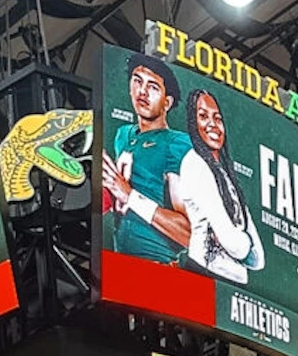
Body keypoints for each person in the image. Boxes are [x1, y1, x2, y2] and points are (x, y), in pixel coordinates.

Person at [101, 53, 192, 264]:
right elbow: (118, 194)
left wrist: (130, 196)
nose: (142, 91)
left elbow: (189, 234)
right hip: (124, 264)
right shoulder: (123, 134)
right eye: (137, 81)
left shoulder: (176, 144)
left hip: (159, 268)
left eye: (153, 87)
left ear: (167, 102)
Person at [178, 89, 264, 283]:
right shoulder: (195, 162)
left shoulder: (227, 173)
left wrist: (240, 243)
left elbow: (259, 259)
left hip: (235, 282)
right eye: (203, 116)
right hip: (204, 273)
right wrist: (242, 243)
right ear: (193, 123)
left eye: (217, 119)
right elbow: (231, 241)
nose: (212, 124)